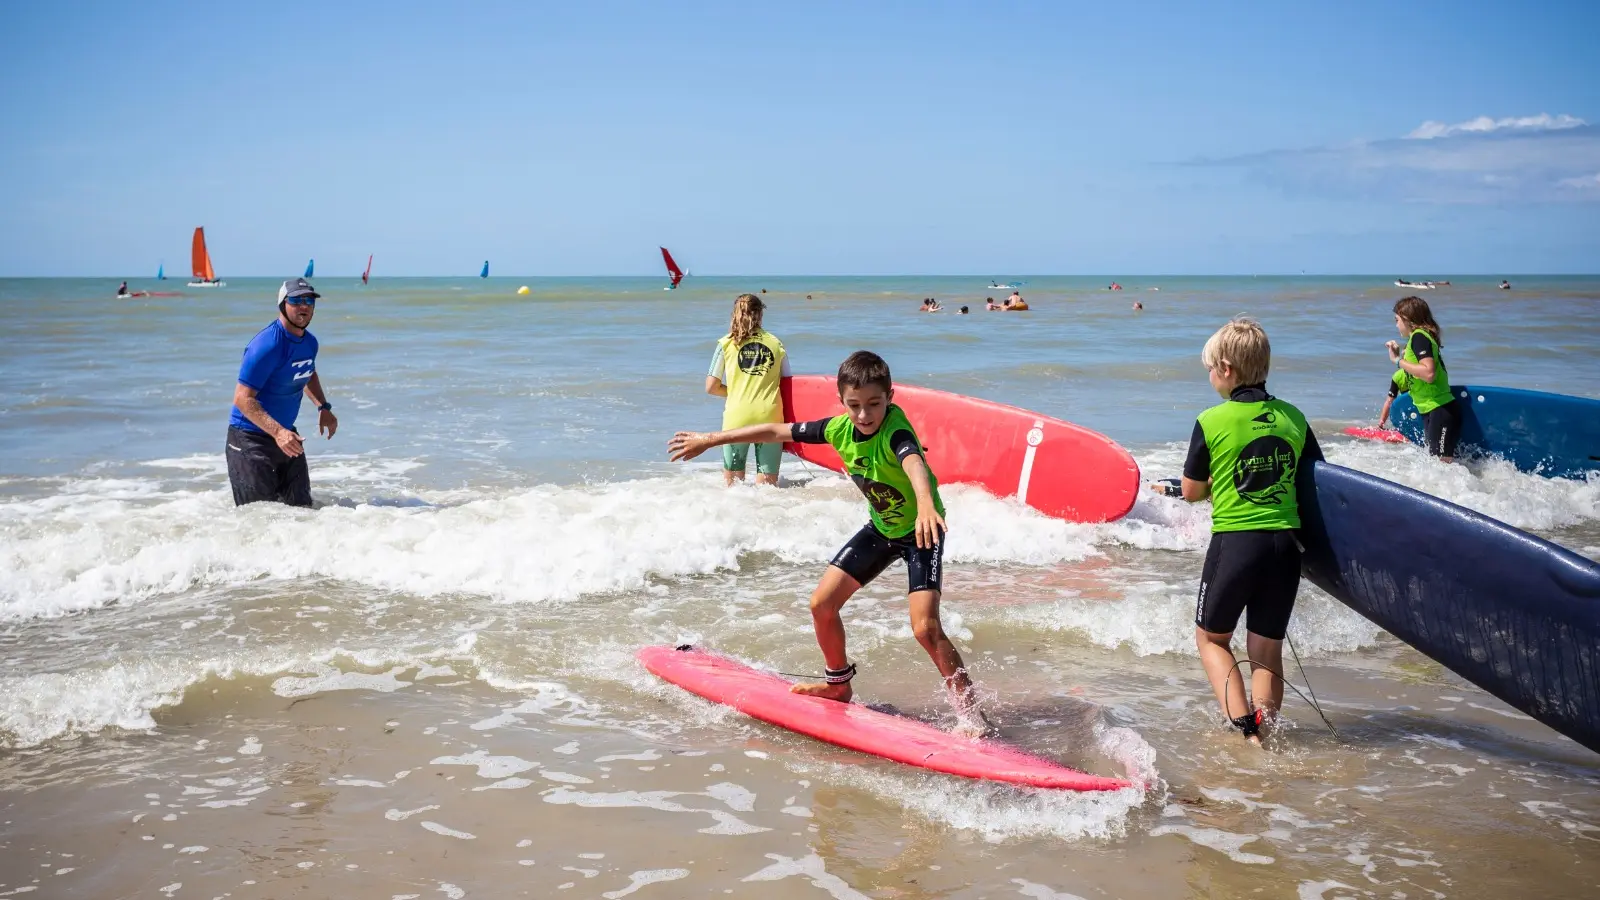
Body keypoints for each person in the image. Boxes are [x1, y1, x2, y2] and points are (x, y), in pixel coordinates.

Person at [668, 351, 987, 731]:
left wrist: (923, 506)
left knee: (925, 629)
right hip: (881, 529)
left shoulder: (896, 432)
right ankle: (838, 685)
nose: (865, 415)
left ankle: (972, 717)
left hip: (921, 531)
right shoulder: (837, 429)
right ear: (842, 401)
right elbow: (774, 431)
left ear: (891, 397)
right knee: (821, 604)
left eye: (874, 404)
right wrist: (712, 439)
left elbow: (914, 463)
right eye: (855, 406)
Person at [1178, 318, 1322, 743]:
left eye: (1209, 368)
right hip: (1285, 548)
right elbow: (1314, 479)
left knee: (1212, 640)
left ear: (1225, 369)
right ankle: (1269, 730)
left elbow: (1191, 492)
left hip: (1237, 544)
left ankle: (1247, 735)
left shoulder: (1211, 420)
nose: (1208, 376)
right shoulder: (1293, 417)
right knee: (1265, 649)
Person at [225, 277, 337, 507]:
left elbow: (307, 371)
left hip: (286, 437)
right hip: (250, 441)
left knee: (303, 513)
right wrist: (278, 432)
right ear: (282, 305)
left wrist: (323, 407)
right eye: (296, 300)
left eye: (309, 301)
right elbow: (242, 399)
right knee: (260, 520)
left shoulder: (310, 343)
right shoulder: (267, 345)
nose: (304, 306)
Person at [705, 293, 790, 486]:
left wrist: (735, 392)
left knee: (734, 487)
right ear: (760, 314)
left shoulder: (725, 343)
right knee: (768, 487)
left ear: (734, 314)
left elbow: (711, 387)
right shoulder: (776, 343)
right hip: (770, 416)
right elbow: (788, 384)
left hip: (737, 417)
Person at [1386, 296, 1459, 462]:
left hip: (1440, 408)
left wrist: (1397, 361)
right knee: (1438, 465)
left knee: (1442, 466)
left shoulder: (1419, 337)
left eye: (1397, 320)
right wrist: (1401, 357)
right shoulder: (1418, 339)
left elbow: (1428, 373)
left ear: (1407, 319)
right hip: (1432, 409)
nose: (1396, 324)